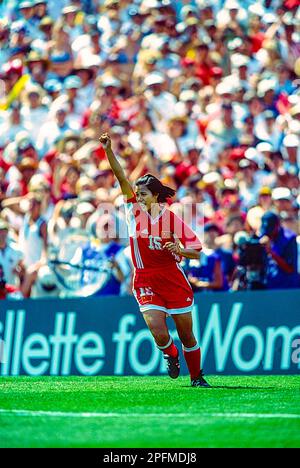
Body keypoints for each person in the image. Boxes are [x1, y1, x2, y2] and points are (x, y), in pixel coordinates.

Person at [99, 132, 210, 388]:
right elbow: (120, 177)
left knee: (187, 334)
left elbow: (196, 249)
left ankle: (197, 377)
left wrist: (180, 250)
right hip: (145, 277)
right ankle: (170, 354)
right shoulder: (133, 211)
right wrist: (108, 150)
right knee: (159, 331)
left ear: (156, 196)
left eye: (144, 194)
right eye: (137, 194)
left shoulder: (172, 218)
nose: (138, 198)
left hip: (172, 277)